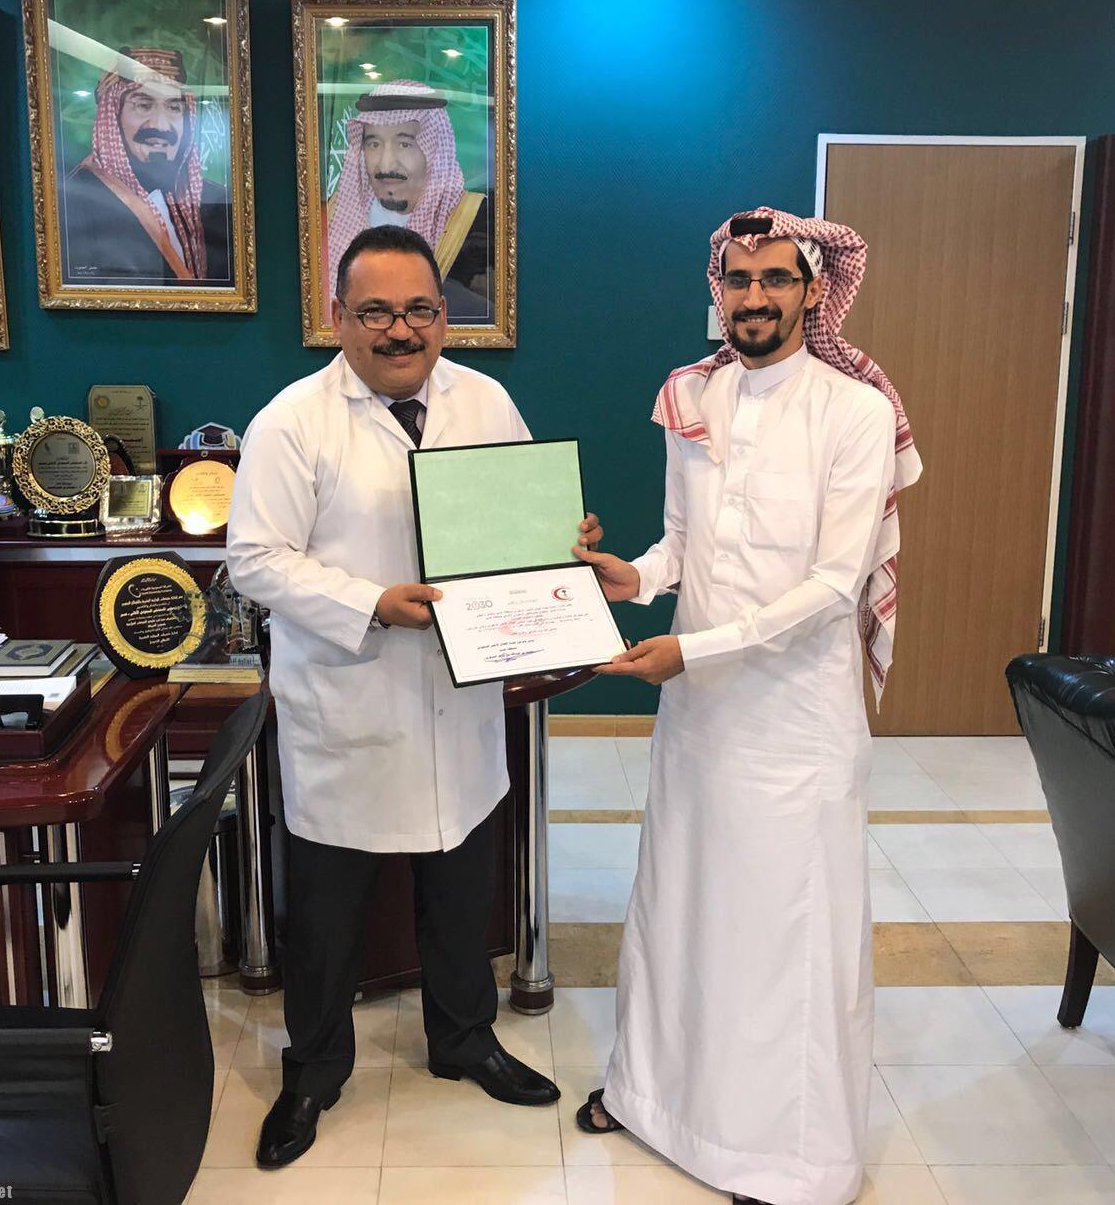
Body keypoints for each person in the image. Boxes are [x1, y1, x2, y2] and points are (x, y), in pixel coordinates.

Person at [227, 224, 600, 1169]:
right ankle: (314, 1070)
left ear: (444, 314)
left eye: (420, 309)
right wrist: (371, 604)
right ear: (339, 317)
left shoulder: (485, 400)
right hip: (350, 702)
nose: (401, 330)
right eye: (377, 312)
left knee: (462, 888)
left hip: (459, 698)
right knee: (326, 916)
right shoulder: (293, 421)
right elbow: (255, 559)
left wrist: (561, 538)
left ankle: (464, 1038)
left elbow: (518, 522)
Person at [572, 208, 922, 1205]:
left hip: (794, 723)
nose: (755, 296)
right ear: (717, 288)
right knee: (680, 905)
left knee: (781, 936)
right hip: (700, 718)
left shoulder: (854, 412)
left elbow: (833, 587)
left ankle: (784, 1159)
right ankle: (652, 1099)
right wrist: (632, 576)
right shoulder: (692, 393)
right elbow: (682, 545)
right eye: (739, 278)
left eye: (776, 279)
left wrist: (692, 650)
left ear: (813, 291)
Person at [61, 47, 231, 285]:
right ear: (113, 116)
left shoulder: (216, 201)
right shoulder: (75, 202)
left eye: (173, 108)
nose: (161, 125)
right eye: (143, 105)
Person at [326, 79, 491, 321]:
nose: (386, 164)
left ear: (433, 150)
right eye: (373, 144)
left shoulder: (476, 218)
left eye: (404, 144)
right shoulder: (332, 214)